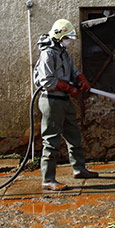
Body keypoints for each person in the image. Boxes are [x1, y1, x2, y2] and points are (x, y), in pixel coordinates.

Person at [33, 18, 98, 191]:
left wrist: (80, 77)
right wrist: (70, 88)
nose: (68, 41)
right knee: (51, 140)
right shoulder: (48, 54)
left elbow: (71, 70)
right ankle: (48, 179)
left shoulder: (62, 52)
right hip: (52, 101)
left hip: (64, 100)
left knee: (73, 135)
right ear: (59, 35)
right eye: (67, 37)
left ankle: (79, 169)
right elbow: (47, 81)